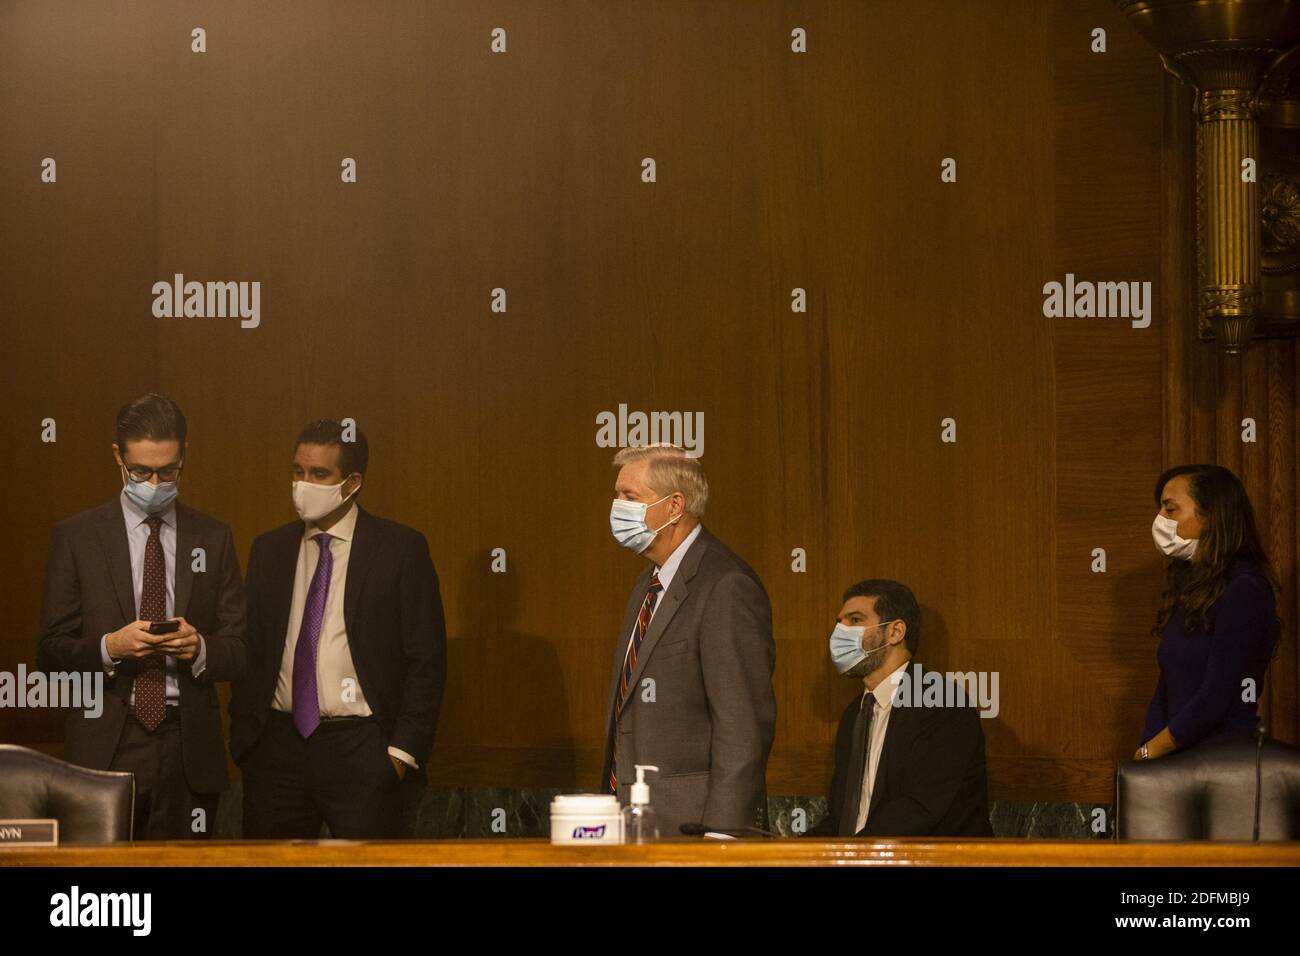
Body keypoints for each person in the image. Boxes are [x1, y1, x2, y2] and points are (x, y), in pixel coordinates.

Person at [37, 393, 246, 839]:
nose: (155, 482)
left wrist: (201, 648)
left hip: (188, 746)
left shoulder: (213, 537)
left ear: (184, 455)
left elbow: (240, 649)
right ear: (118, 457)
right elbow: (51, 652)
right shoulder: (76, 537)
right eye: (141, 471)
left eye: (168, 471)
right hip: (107, 744)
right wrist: (110, 648)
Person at [229, 420, 447, 838]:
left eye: (318, 475)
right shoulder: (269, 549)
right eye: (298, 472)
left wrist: (400, 754)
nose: (303, 484)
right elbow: (251, 648)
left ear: (352, 483)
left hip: (362, 747)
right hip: (277, 747)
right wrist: (246, 741)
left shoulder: (400, 550)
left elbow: (427, 659)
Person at [600, 444, 776, 835]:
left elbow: (742, 726)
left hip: (694, 830)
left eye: (630, 496)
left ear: (674, 505)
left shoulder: (726, 585)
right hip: (635, 827)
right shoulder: (647, 585)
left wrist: (722, 835)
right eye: (616, 495)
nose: (616, 507)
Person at [816, 579, 992, 837]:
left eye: (855, 620)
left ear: (896, 632)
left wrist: (851, 855)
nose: (840, 632)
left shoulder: (943, 704)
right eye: (839, 622)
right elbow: (844, 819)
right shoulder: (855, 714)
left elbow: (918, 809)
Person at [1137, 464, 1280, 760]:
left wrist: (1152, 752)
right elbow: (1167, 686)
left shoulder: (1245, 589)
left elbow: (1216, 697)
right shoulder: (1193, 588)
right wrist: (1146, 754)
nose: (1160, 520)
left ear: (1211, 514)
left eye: (1170, 509)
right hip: (1177, 759)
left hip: (1224, 762)